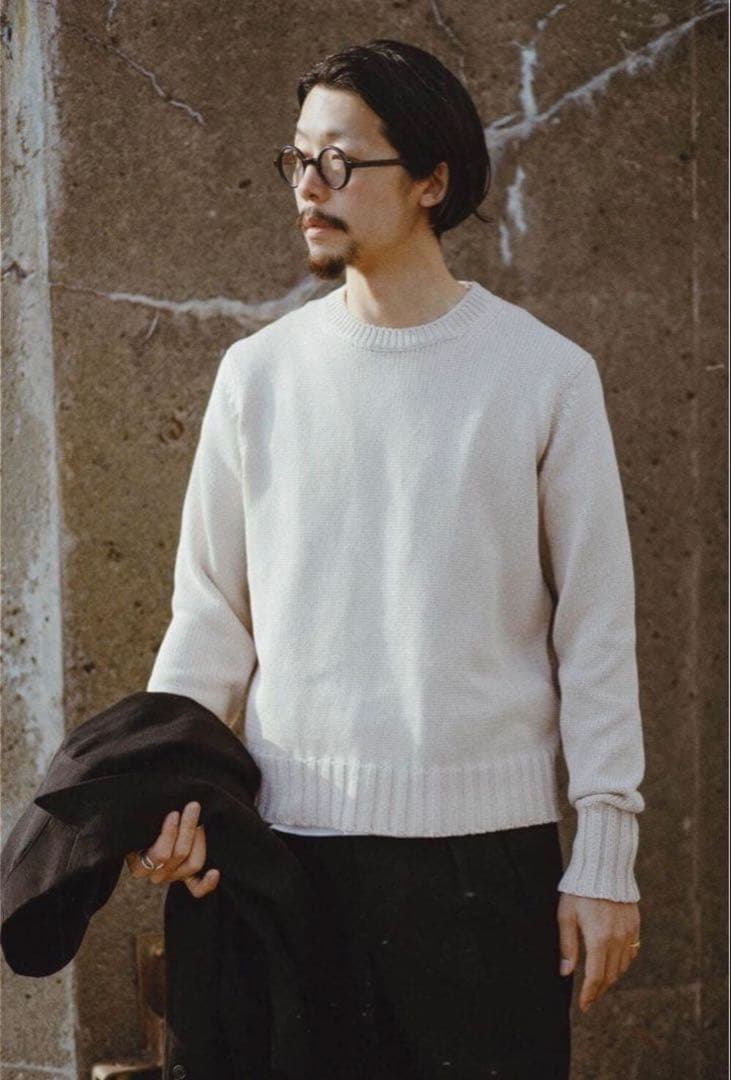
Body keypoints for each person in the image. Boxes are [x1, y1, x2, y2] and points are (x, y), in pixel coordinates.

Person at [126, 39, 645, 1079]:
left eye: (339, 161)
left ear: (430, 181)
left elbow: (594, 628)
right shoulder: (257, 376)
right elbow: (210, 614)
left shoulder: (543, 375)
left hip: (483, 873)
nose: (307, 188)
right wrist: (167, 794)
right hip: (282, 859)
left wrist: (605, 855)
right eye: (297, 159)